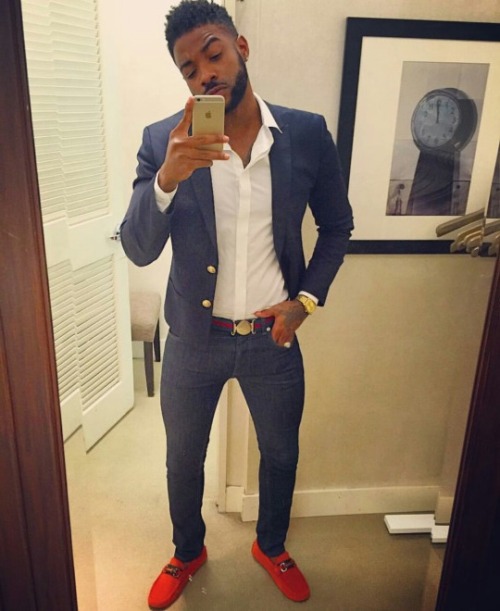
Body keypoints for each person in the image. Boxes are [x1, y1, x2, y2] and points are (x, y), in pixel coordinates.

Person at [120, 1, 353, 608]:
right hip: (194, 338)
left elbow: (337, 226)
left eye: (213, 54)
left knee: (281, 453)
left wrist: (305, 301)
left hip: (272, 337)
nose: (205, 74)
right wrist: (167, 179)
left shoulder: (305, 134)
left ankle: (271, 545)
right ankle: (187, 551)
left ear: (240, 47)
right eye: (189, 69)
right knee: (182, 460)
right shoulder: (162, 141)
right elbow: (139, 249)